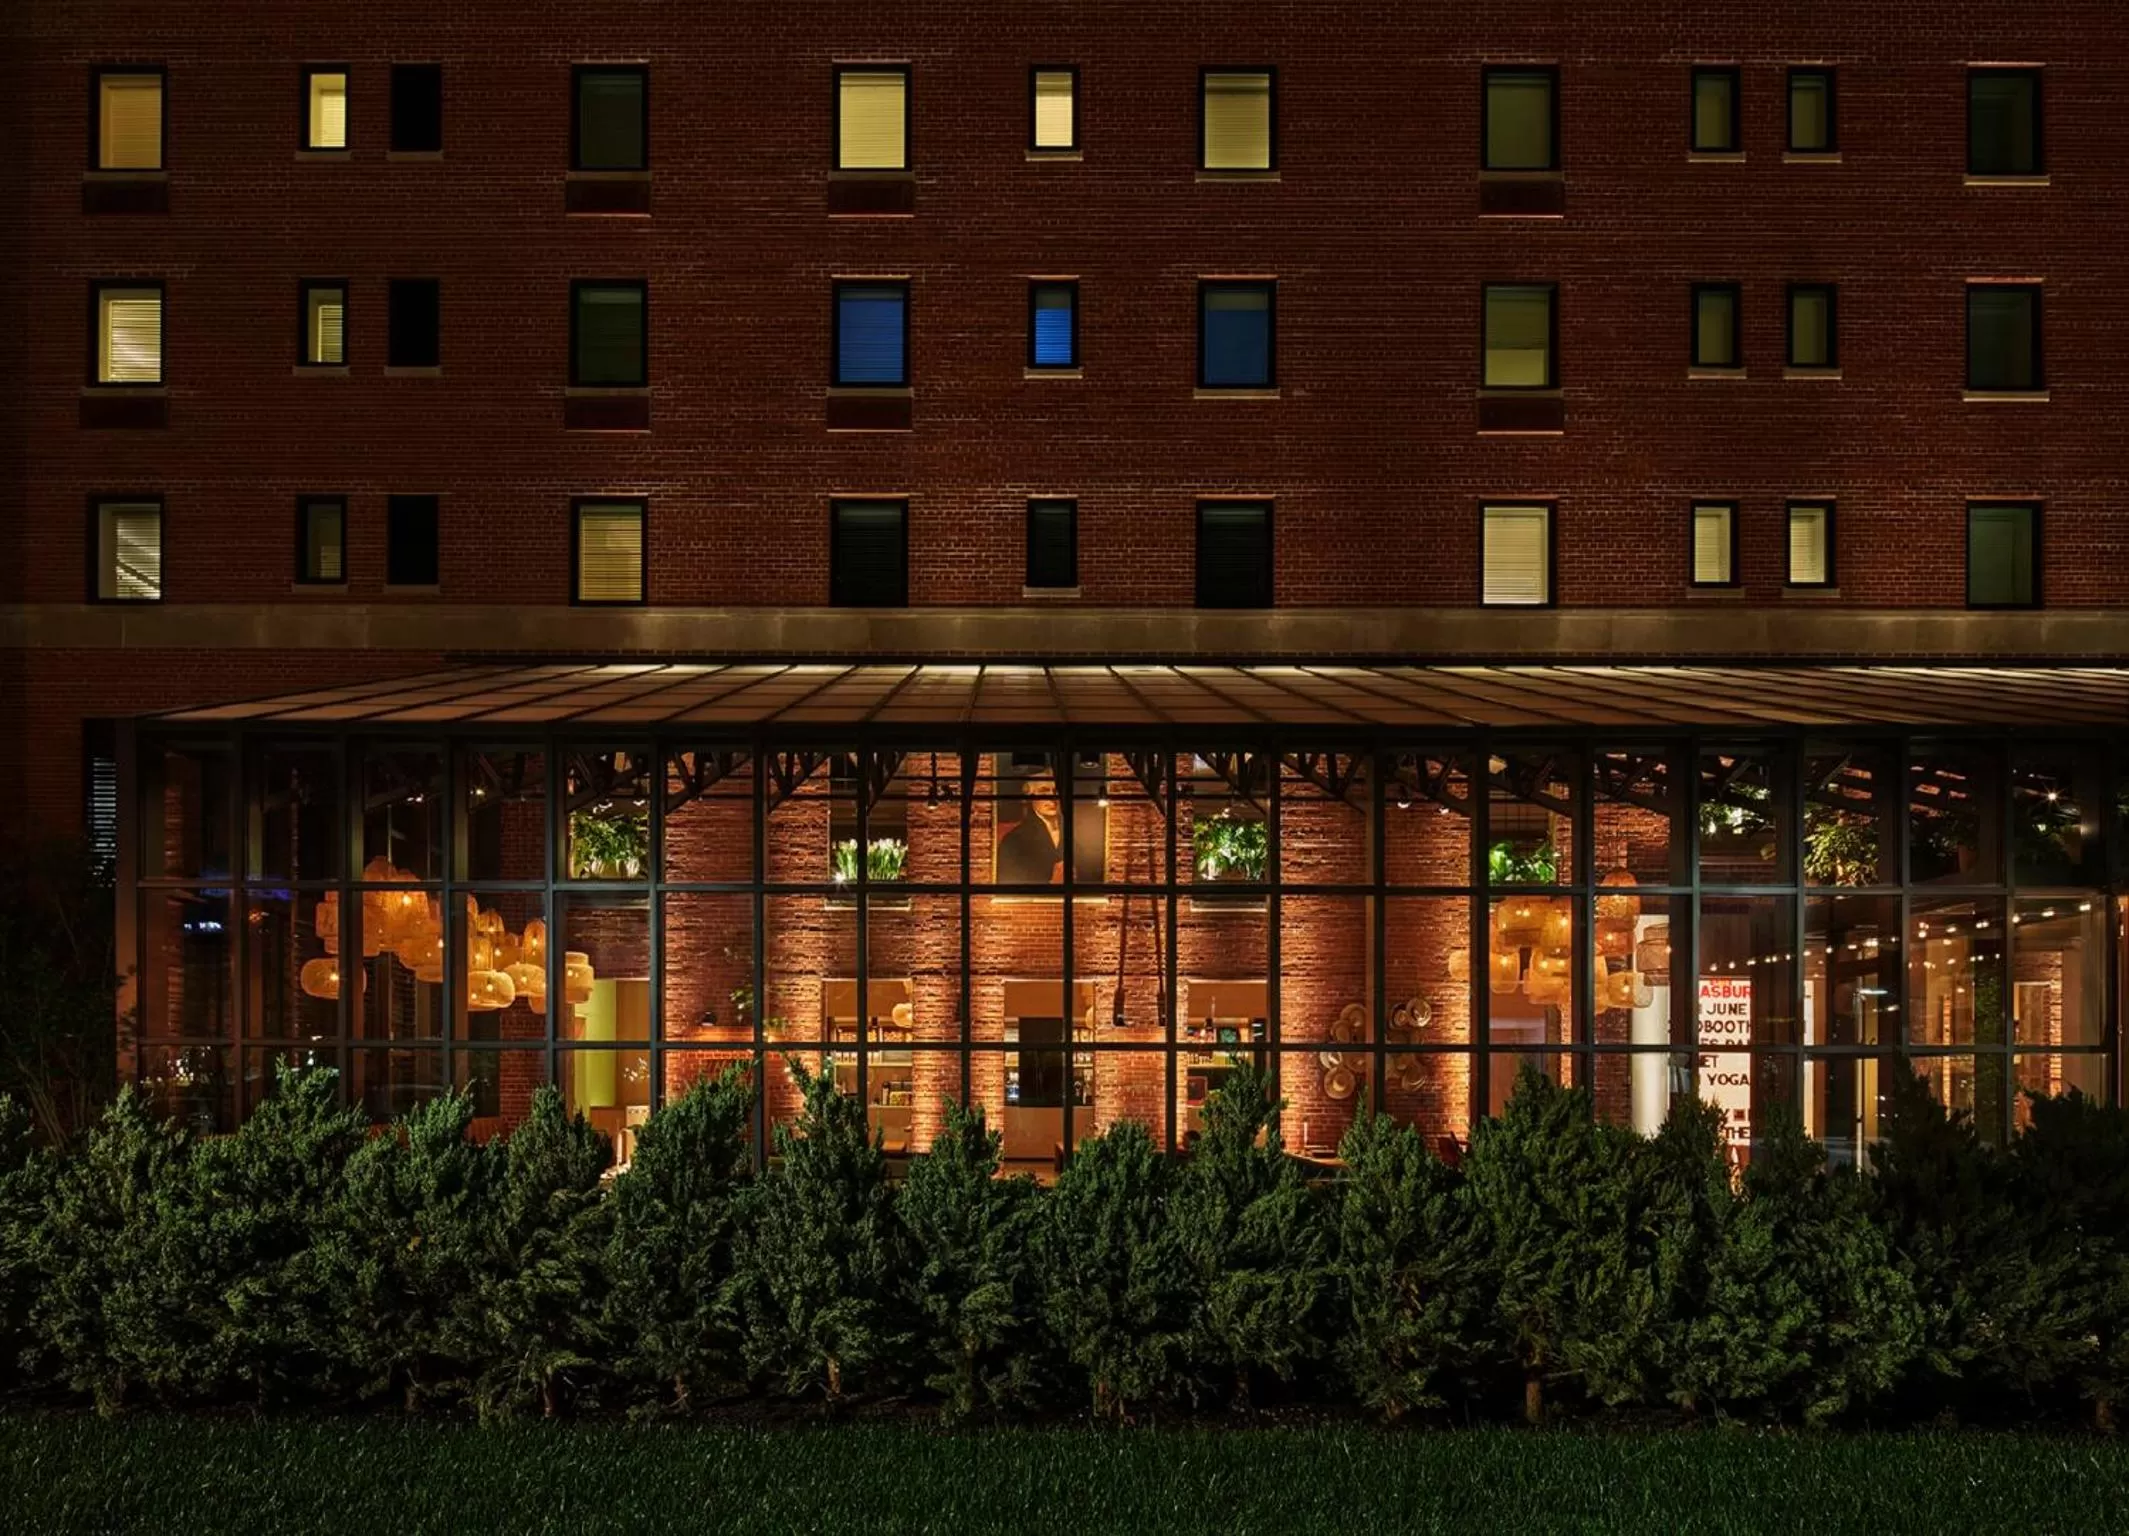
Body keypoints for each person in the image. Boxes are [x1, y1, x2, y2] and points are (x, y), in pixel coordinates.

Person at [997, 773, 1063, 884]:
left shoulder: (1076, 832)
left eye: (1056, 792)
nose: (1053, 798)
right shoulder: (1014, 839)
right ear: (1031, 797)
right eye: (1044, 791)